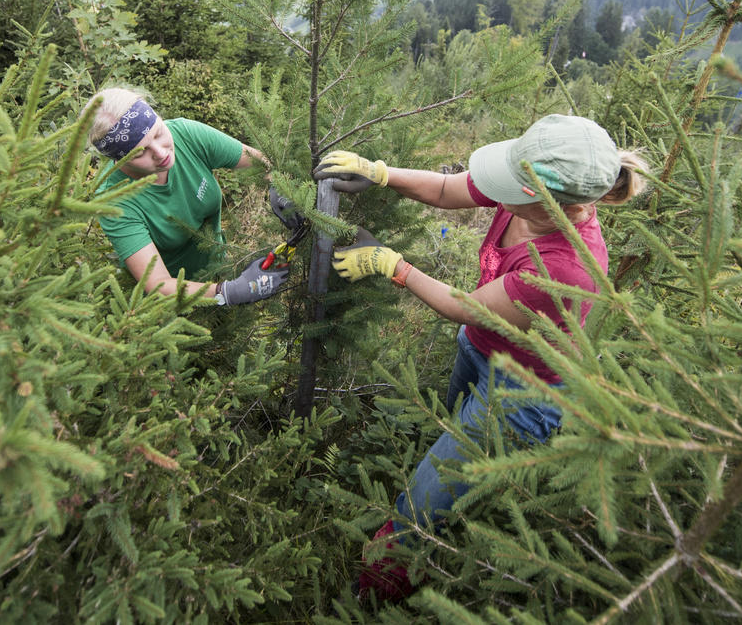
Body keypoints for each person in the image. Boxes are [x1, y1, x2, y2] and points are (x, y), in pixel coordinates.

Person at [314, 114, 648, 600]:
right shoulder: (530, 190)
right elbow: (450, 190)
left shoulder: (565, 267)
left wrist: (392, 265)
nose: (495, 190)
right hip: (482, 345)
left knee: (426, 502)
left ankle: (375, 590)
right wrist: (381, 173)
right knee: (451, 426)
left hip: (522, 392)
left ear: (547, 204)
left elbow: (463, 305)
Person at [86, 87, 293, 306]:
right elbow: (158, 284)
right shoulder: (114, 201)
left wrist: (282, 189)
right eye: (140, 152)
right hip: (175, 306)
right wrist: (229, 292)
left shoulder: (186, 135)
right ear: (119, 160)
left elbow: (264, 163)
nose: (161, 152)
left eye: (158, 133)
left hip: (220, 270)